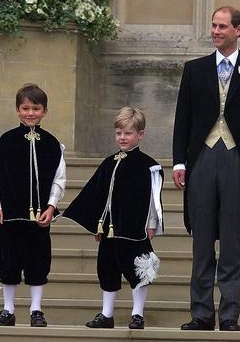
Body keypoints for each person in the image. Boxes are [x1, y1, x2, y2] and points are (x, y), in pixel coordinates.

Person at [172, 6, 240, 331]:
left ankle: (229, 315)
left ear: (238, 29)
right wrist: (179, 161)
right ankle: (201, 314)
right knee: (202, 240)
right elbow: (182, 121)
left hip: (237, 160)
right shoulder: (194, 69)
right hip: (201, 158)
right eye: (213, 26)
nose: (215, 31)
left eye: (222, 26)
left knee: (232, 240)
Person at [0, 83, 67, 327]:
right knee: (9, 261)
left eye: (36, 108)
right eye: (25, 108)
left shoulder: (52, 144)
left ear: (45, 110)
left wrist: (51, 205)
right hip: (11, 214)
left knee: (38, 262)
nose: (30, 113)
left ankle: (36, 310)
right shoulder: (6, 142)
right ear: (17, 110)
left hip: (40, 218)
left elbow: (59, 178)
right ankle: (8, 310)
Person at [61, 107, 163, 329]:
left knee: (139, 270)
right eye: (119, 133)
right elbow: (97, 194)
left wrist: (152, 224)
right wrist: (97, 224)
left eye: (128, 133)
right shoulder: (108, 163)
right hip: (109, 229)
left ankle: (137, 314)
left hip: (136, 230)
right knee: (107, 270)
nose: (122, 138)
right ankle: (107, 314)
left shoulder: (149, 166)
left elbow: (154, 199)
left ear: (140, 134)